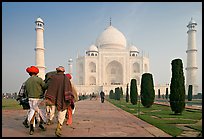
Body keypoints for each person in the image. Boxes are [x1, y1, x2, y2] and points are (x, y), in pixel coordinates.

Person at [45, 66, 74, 137]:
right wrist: (69, 98)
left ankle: (51, 121)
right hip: (63, 98)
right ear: (63, 72)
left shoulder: (53, 78)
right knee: (62, 112)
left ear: (57, 71)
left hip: (54, 98)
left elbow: (50, 88)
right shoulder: (66, 79)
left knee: (53, 111)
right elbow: (69, 89)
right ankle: (59, 127)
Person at [25, 66, 47, 135]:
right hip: (39, 99)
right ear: (36, 73)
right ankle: (41, 123)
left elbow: (26, 91)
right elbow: (45, 86)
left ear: (30, 73)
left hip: (30, 99)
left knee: (32, 112)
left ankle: (31, 127)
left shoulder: (27, 81)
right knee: (41, 111)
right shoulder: (39, 80)